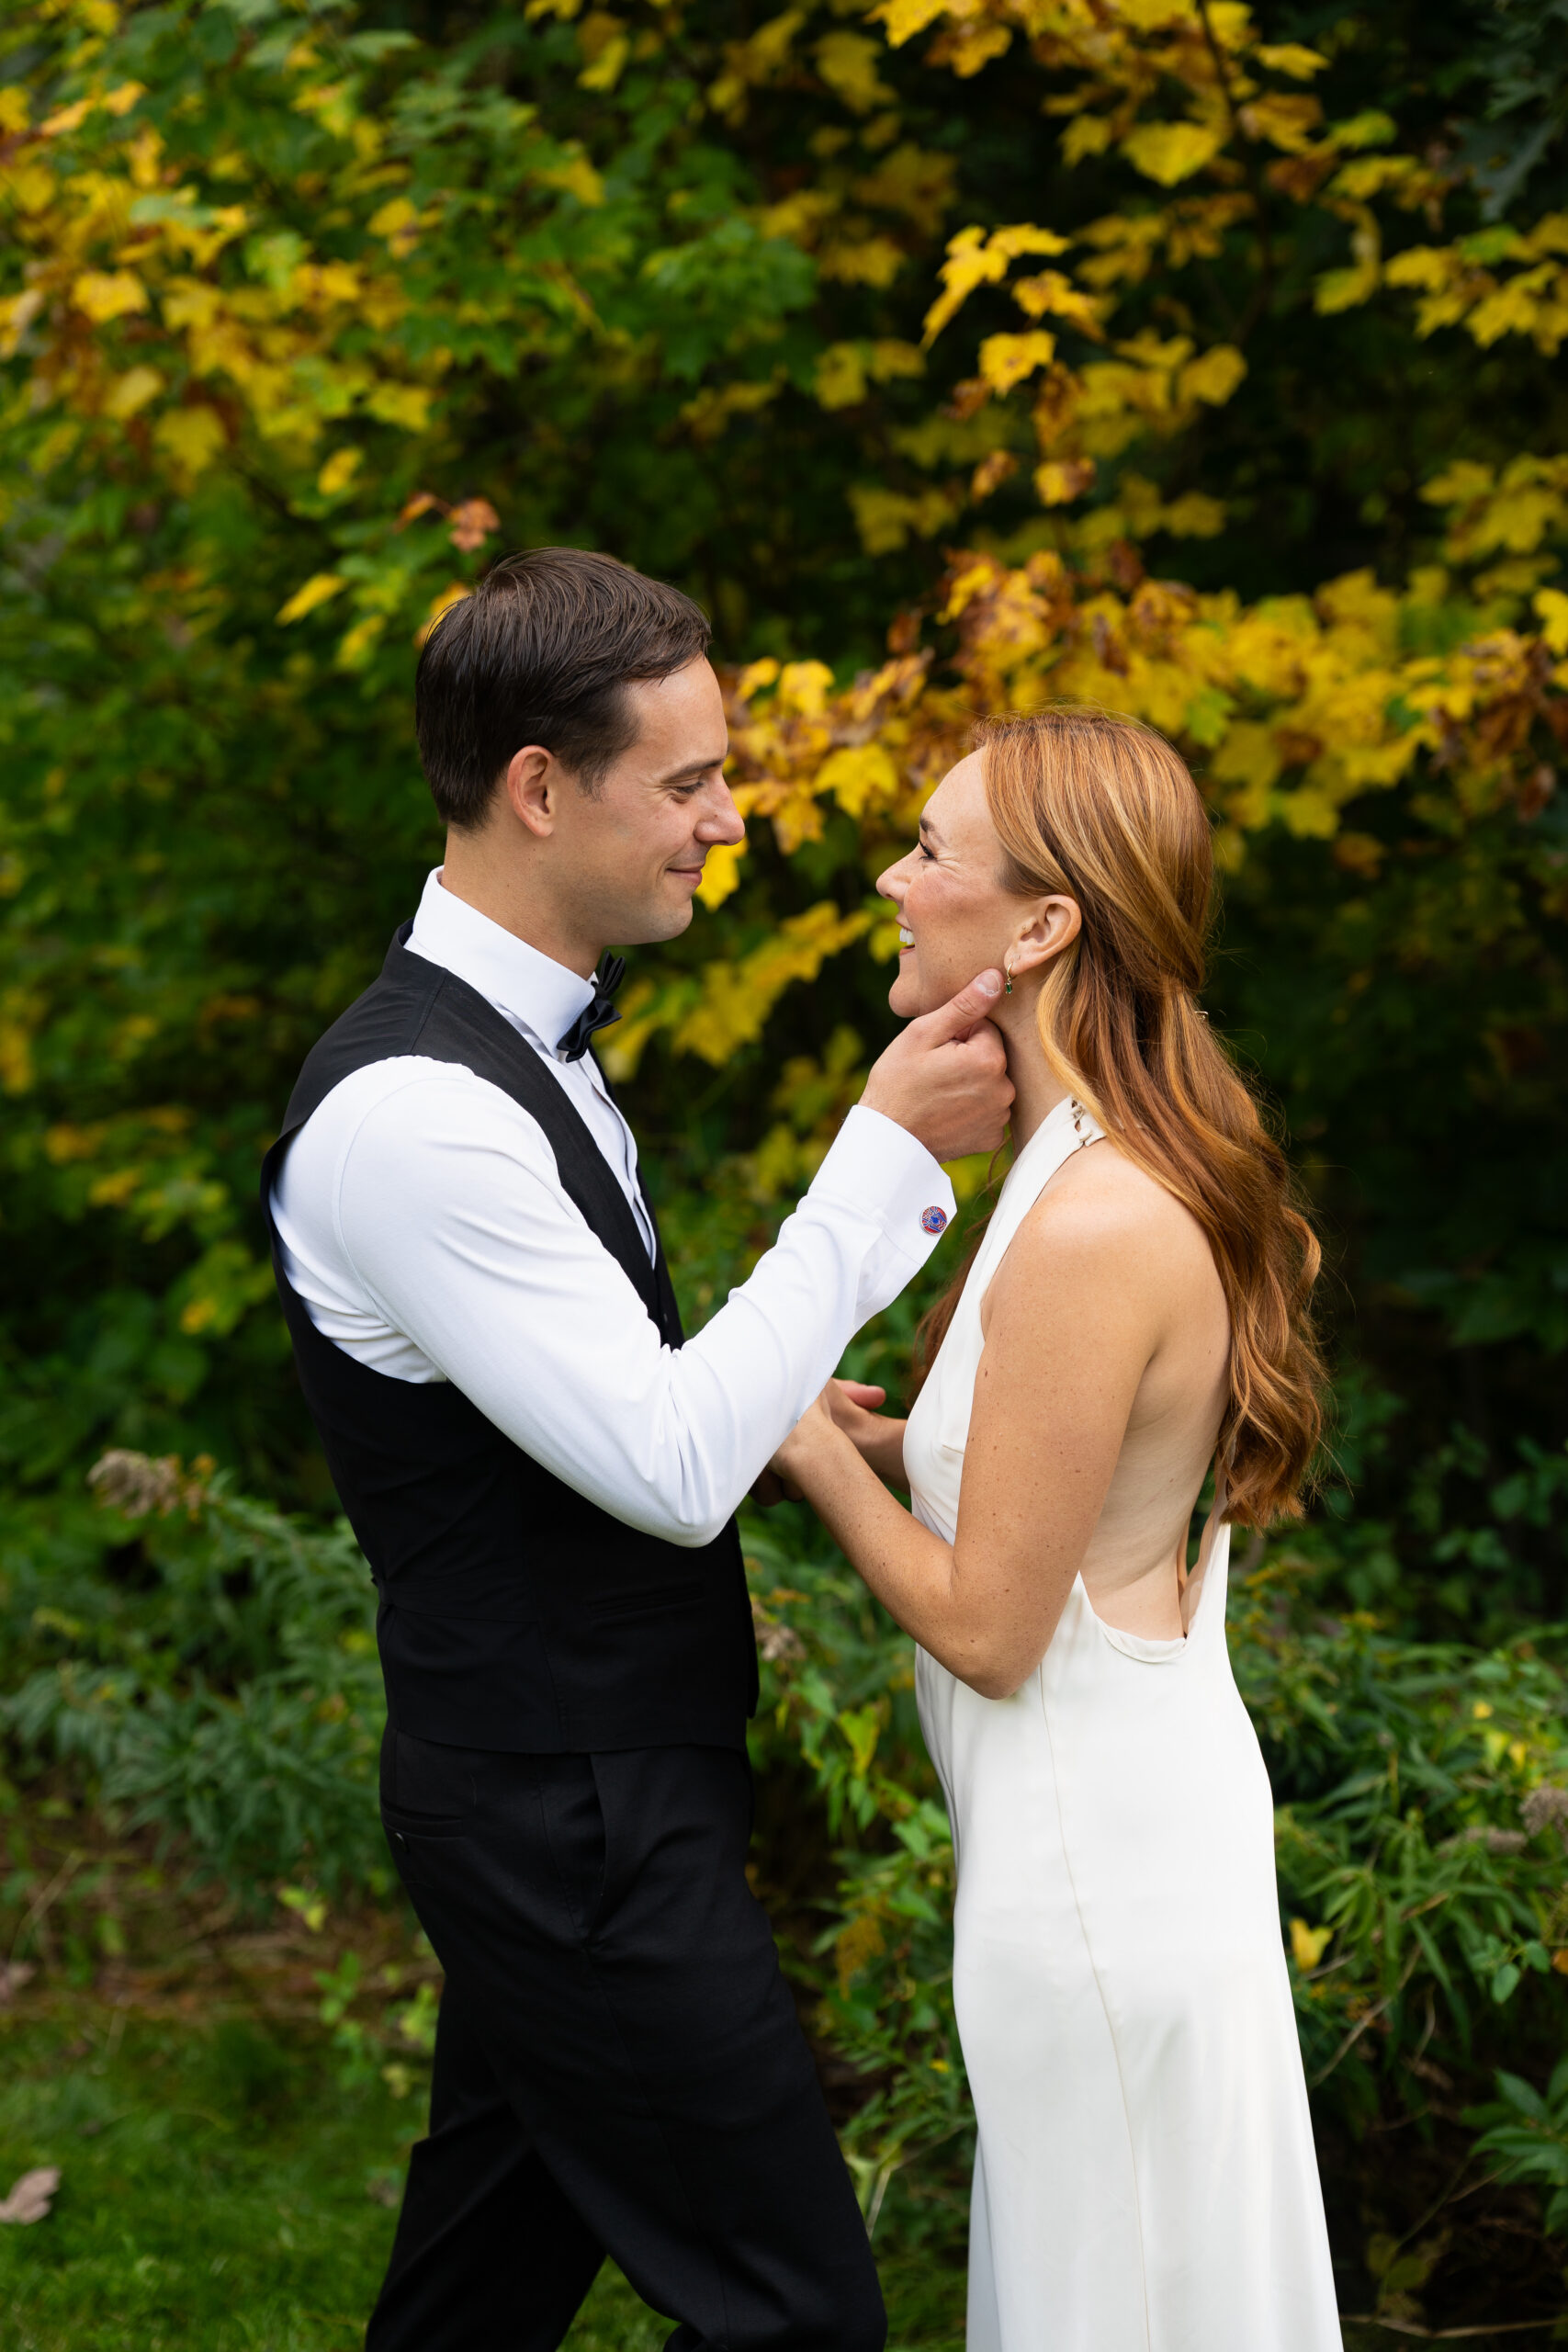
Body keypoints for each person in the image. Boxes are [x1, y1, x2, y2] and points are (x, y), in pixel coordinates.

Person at [260, 548, 1016, 2352]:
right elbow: (664, 1463)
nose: (729, 822)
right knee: (794, 2310)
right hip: (564, 1811)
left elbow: (617, 1413)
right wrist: (879, 1152)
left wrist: (757, 1416)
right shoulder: (414, 1116)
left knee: (478, 2289)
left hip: (579, 1782)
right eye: (686, 781)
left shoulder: (513, 1056)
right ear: (538, 786)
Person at [772, 708, 1344, 2352]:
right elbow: (1082, 1501)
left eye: (932, 850)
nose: (892, 875)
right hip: (1124, 1834)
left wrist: (811, 1451)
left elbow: (991, 1628)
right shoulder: (1092, 1164)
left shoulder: (1095, 1218)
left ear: (1041, 927)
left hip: (1098, 1874)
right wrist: (912, 1446)